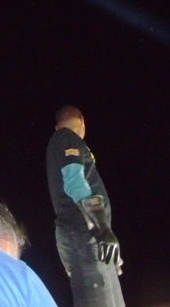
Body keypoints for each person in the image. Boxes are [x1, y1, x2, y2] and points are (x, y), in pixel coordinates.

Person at [46, 105, 125, 306]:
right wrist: (101, 228)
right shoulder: (66, 136)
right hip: (85, 237)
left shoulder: (63, 139)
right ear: (82, 119)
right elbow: (75, 183)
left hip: (88, 239)